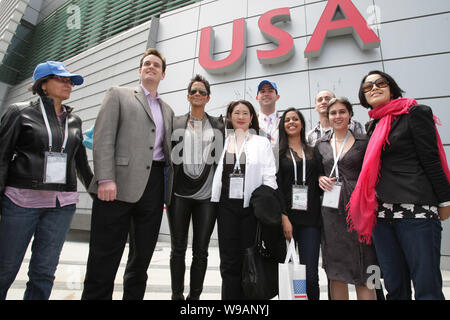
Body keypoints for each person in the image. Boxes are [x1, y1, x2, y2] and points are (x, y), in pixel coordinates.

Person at [347, 70, 450, 300]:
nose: (374, 88)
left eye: (379, 83)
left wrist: (445, 199)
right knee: (395, 287)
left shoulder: (414, 113)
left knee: (427, 288)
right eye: (367, 87)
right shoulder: (373, 125)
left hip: (416, 212)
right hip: (382, 218)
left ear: (391, 87)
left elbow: (431, 159)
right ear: (364, 97)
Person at [82, 48, 174, 300]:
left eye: (156, 65)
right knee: (104, 256)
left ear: (163, 74)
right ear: (139, 70)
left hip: (153, 188)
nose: (151, 67)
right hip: (117, 185)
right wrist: (105, 178)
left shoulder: (167, 110)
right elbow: (103, 137)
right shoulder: (118, 94)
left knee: (141, 258)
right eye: (146, 63)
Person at [0, 61, 92, 300]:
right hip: (20, 202)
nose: (68, 84)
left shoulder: (75, 121)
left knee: (44, 272)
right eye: (62, 79)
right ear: (42, 83)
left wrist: (98, 192)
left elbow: (80, 163)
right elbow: (1, 158)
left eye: (70, 81)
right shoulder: (19, 112)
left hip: (61, 207)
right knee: (5, 269)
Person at [210, 100, 277, 299]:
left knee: (249, 259)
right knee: (228, 261)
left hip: (250, 208)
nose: (240, 116)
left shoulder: (261, 142)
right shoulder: (223, 140)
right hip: (226, 207)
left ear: (251, 117)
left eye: (245, 113)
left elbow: (269, 177)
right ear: (230, 116)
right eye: (236, 112)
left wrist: (267, 207)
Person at [315, 97, 377, 300]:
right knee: (336, 270)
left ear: (350, 114)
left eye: (342, 111)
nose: (338, 116)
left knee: (366, 267)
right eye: (333, 113)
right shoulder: (320, 144)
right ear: (328, 116)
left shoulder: (364, 141)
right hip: (331, 213)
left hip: (360, 210)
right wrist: (320, 178)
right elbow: (314, 173)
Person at [168, 74, 224, 300]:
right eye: (194, 91)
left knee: (200, 252)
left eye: (202, 92)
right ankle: (176, 296)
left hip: (207, 196)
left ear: (208, 98)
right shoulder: (176, 122)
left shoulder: (219, 124)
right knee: (178, 249)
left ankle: (194, 299)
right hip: (179, 194)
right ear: (188, 96)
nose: (198, 94)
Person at [276, 108, 322, 300]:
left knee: (310, 275)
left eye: (296, 119)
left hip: (311, 220)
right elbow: (275, 187)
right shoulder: (277, 153)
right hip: (286, 220)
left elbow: (319, 181)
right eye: (287, 120)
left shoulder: (313, 151)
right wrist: (283, 217)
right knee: (288, 273)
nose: (291, 122)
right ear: (283, 125)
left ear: (302, 123)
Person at [256, 80, 280, 149]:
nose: (266, 94)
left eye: (270, 91)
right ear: (257, 98)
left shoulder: (285, 122)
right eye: (262, 91)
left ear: (277, 97)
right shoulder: (250, 123)